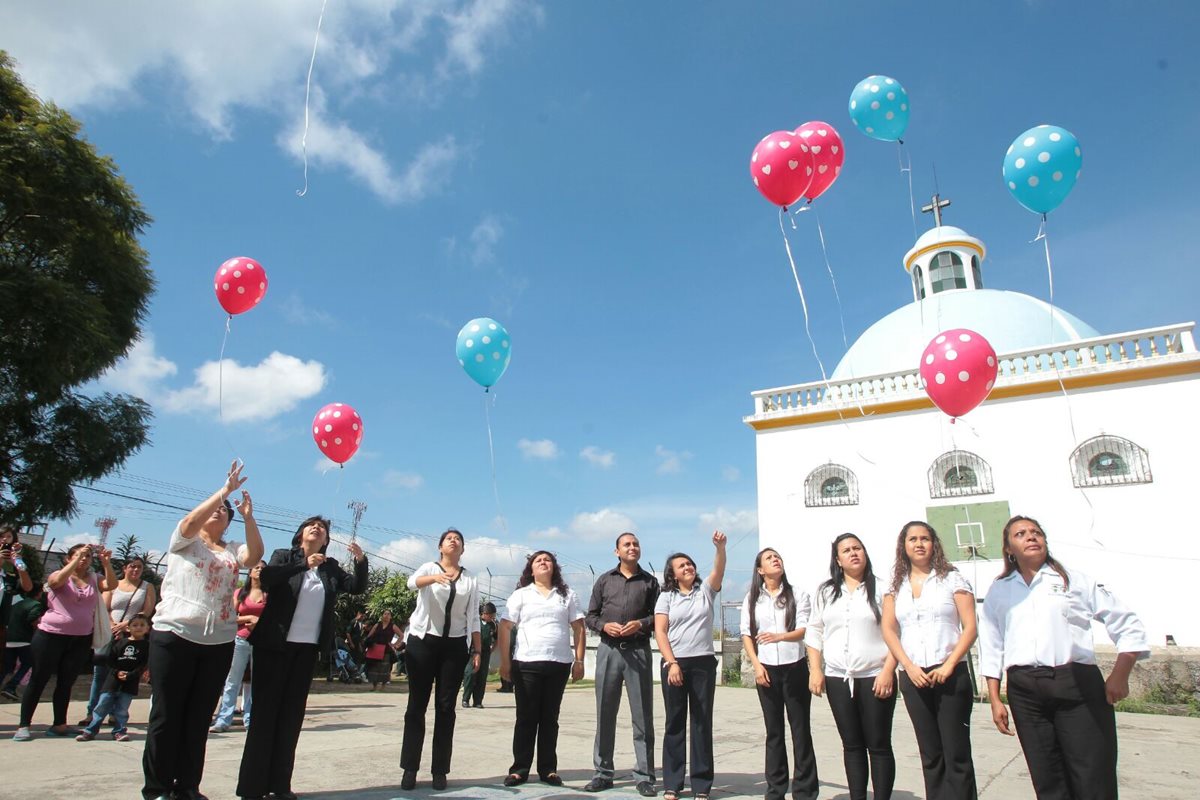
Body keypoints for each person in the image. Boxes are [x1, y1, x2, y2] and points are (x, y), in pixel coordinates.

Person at [980, 515, 1149, 800]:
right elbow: (992, 642)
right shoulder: (1000, 589)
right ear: (1009, 549)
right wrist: (995, 698)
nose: (1031, 537)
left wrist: (1121, 673)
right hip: (1025, 691)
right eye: (1020, 534)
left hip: (1076, 686)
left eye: (1036, 532)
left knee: (1092, 773)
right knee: (1047, 775)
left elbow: (1126, 622)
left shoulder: (1073, 580)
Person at [141, 461, 263, 800]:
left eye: (225, 512)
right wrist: (224, 491)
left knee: (198, 718)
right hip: (175, 634)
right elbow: (190, 522)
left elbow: (255, 555)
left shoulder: (231, 550)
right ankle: (157, 788)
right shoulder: (186, 542)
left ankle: (188, 785)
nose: (219, 513)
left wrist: (249, 516)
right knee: (167, 714)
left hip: (218, 640)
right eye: (215, 509)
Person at [235, 516, 367, 800]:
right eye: (312, 525)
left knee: (291, 718)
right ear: (300, 534)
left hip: (306, 649)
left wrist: (360, 561)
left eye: (323, 528)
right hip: (274, 646)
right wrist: (303, 564)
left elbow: (355, 586)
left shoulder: (330, 567)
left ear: (326, 540)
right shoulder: (284, 556)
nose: (317, 529)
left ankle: (280, 785)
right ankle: (252, 788)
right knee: (265, 716)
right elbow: (267, 578)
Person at [881, 521, 979, 800]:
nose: (919, 543)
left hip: (950, 673)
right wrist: (908, 667)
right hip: (913, 676)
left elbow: (970, 627)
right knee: (930, 753)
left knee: (956, 752)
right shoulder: (894, 586)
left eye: (925, 538)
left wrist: (948, 665)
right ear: (904, 546)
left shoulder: (953, 579)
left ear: (934, 544)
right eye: (913, 539)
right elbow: (889, 629)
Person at [807, 533, 898, 800]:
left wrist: (888, 671)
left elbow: (895, 633)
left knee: (879, 745)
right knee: (852, 744)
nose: (853, 553)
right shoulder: (826, 592)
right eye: (846, 550)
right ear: (838, 559)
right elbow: (814, 630)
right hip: (838, 678)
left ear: (865, 553)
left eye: (857, 548)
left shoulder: (883, 589)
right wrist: (815, 669)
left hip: (875, 676)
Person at [399, 528, 482, 791]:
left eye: (459, 539)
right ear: (440, 547)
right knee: (417, 706)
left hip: (455, 646)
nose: (454, 541)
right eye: (449, 539)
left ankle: (439, 771)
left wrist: (477, 650)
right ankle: (410, 769)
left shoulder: (470, 579)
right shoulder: (428, 568)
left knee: (446, 708)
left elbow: (475, 616)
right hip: (423, 642)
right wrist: (434, 578)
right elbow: (411, 584)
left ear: (463, 549)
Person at [13, 541, 117, 741]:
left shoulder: (94, 578)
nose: (84, 559)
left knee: (66, 681)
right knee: (39, 679)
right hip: (50, 636)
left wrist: (106, 563)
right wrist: (75, 561)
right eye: (78, 555)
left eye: (87, 556)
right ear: (68, 558)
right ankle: (24, 724)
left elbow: (111, 585)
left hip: (80, 638)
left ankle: (59, 724)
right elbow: (55, 583)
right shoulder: (58, 575)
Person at [498, 551, 586, 787]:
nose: (543, 563)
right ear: (531, 569)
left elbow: (579, 628)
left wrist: (579, 661)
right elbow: (505, 627)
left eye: (548, 560)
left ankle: (548, 769)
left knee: (550, 718)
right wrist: (505, 662)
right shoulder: (521, 595)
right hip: (526, 663)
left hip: (558, 664)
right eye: (538, 561)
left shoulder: (567, 594)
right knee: (526, 717)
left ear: (555, 567)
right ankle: (519, 769)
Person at [584, 531, 660, 796]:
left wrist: (641, 623)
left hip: (638, 652)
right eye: (627, 544)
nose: (632, 547)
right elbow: (590, 617)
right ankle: (603, 773)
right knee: (605, 714)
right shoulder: (604, 580)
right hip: (609, 651)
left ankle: (644, 775)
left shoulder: (650, 582)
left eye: (636, 544)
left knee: (642, 717)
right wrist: (605, 625)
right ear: (616, 551)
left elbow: (659, 617)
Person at [740, 547, 818, 800]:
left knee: (800, 729)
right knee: (774, 732)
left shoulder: (798, 594)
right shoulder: (752, 599)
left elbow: (805, 628)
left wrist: (780, 636)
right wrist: (756, 666)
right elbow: (746, 633)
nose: (776, 560)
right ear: (760, 570)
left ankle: (805, 790)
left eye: (778, 557)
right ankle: (775, 789)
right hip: (766, 671)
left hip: (794, 667)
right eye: (769, 558)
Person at [653, 532, 727, 800]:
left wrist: (720, 548)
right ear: (672, 574)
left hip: (703, 663)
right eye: (681, 565)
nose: (688, 567)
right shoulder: (666, 597)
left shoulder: (705, 591)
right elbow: (660, 632)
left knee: (701, 723)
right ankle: (672, 784)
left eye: (690, 563)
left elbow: (718, 570)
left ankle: (701, 785)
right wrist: (671, 663)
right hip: (675, 663)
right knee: (674, 723)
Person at [83, 553, 158, 725]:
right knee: (100, 673)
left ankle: (115, 713)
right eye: (132, 566)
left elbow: (146, 611)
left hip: (131, 635)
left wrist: (126, 626)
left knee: (124, 674)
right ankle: (92, 712)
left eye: (139, 566)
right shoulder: (114, 585)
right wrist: (112, 625)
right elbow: (105, 606)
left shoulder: (147, 587)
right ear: (125, 568)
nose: (136, 569)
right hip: (109, 632)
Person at [210, 560, 266, 733]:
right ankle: (223, 719)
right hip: (240, 639)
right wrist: (248, 619)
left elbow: (275, 620)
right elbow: (230, 617)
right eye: (256, 568)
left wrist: (260, 623)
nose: (259, 571)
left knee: (256, 682)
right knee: (232, 681)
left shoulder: (269, 594)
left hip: (261, 642)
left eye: (263, 569)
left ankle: (251, 719)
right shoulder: (240, 593)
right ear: (249, 572)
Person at [76, 612, 151, 742]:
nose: (138, 627)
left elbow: (144, 664)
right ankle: (90, 731)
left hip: (130, 682)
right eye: (135, 625)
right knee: (102, 705)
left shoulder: (147, 646)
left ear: (147, 628)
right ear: (128, 628)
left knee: (122, 709)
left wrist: (132, 675)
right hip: (112, 681)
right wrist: (117, 672)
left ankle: (119, 731)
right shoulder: (119, 643)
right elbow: (110, 660)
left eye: (142, 625)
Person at [1, 586, 45, 700]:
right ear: (39, 593)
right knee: (27, 663)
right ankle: (11, 686)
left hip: (10, 639)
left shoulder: (17, 604)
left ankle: (7, 686)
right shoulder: (36, 604)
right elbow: (33, 619)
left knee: (7, 667)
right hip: (23, 640)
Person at [0, 525, 35, 654]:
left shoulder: (14, 560)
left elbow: (27, 587)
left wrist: (18, 562)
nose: (4, 540)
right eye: (2, 536)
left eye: (8, 537)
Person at [462, 601, 497, 708]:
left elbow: (497, 639)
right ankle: (465, 699)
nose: (492, 617)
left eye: (493, 615)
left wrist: (492, 649)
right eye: (490, 614)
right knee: (470, 674)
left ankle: (478, 701)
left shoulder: (493, 625)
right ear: (484, 613)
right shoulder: (475, 622)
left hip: (486, 654)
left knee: (482, 677)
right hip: (474, 652)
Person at [364, 609, 403, 690]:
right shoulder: (377, 625)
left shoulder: (393, 626)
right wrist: (369, 643)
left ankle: (383, 686)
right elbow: (369, 635)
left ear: (390, 617)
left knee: (385, 668)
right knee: (374, 667)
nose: (386, 615)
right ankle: (374, 686)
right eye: (385, 614)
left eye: (388, 614)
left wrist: (394, 644)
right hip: (375, 648)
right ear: (382, 615)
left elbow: (401, 635)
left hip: (386, 649)